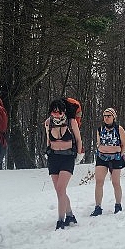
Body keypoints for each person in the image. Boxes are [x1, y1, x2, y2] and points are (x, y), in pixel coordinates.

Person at [45, 99, 83, 230]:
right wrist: (47, 152)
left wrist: (78, 154)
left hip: (68, 158)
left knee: (61, 189)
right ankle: (70, 215)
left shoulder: (71, 122)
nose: (56, 114)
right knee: (59, 191)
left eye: (58, 112)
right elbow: (48, 140)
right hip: (53, 158)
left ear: (63, 111)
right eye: (53, 112)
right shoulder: (48, 123)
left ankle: (60, 221)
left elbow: (78, 139)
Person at [91, 108, 125, 216]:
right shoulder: (100, 129)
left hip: (115, 158)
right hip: (102, 157)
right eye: (105, 116)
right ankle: (98, 207)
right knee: (99, 181)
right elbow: (98, 142)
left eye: (109, 116)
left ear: (113, 117)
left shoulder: (119, 129)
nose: (106, 118)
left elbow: (124, 143)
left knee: (115, 182)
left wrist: (121, 153)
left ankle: (118, 204)